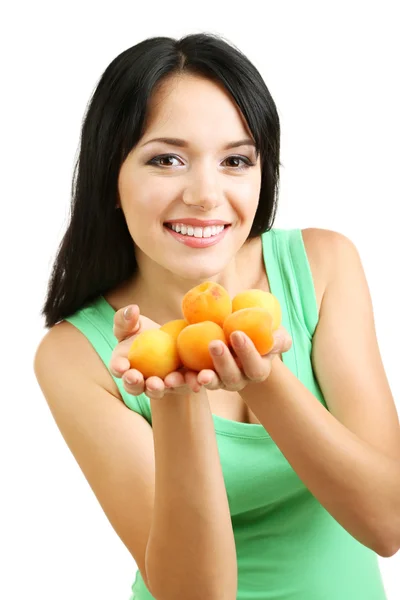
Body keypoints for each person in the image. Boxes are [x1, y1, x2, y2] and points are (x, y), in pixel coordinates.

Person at [33, 32, 400, 600]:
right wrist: (175, 400)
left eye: (235, 160)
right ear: (111, 177)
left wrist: (264, 378)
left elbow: (387, 522)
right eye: (167, 159)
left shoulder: (323, 265)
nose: (206, 194)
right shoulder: (75, 353)